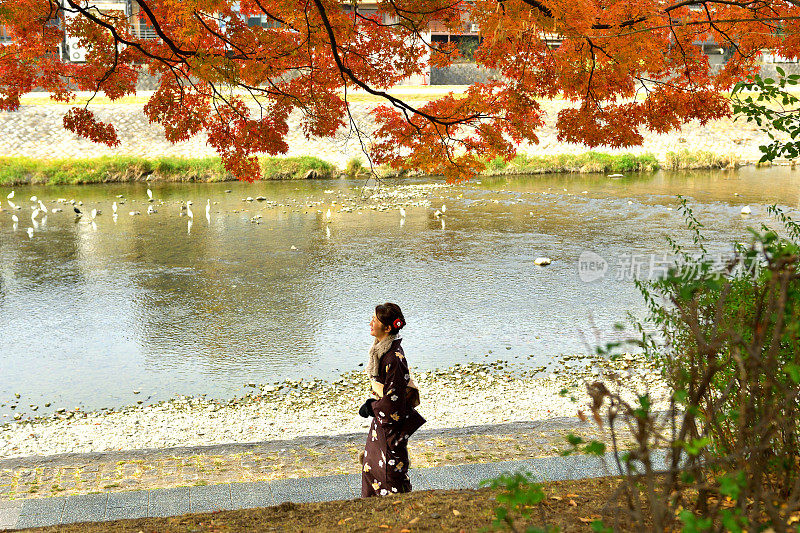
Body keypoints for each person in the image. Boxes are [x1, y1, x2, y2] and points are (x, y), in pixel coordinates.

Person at [359, 303, 425, 497]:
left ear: (388, 328)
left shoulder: (393, 358)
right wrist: (375, 405)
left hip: (391, 424)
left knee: (389, 471)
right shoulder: (384, 352)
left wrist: (372, 406)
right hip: (383, 420)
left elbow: (394, 400)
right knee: (371, 466)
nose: (370, 322)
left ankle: (398, 505)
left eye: (375, 320)